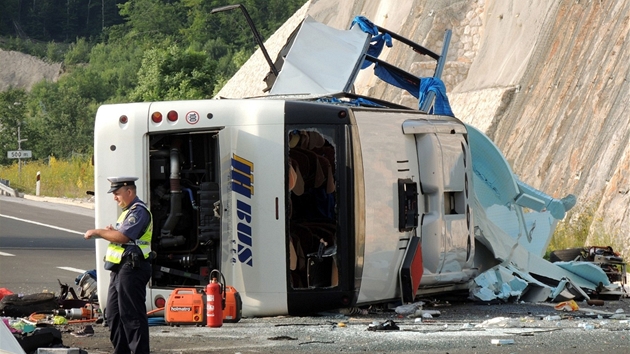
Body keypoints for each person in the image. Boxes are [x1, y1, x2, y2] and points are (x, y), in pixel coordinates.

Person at [84, 177, 152, 354]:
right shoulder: (127, 211)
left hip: (132, 267)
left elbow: (124, 237)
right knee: (113, 315)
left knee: (132, 315)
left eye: (117, 193)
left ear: (129, 192)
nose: (115, 197)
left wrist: (98, 232)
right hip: (119, 268)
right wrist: (112, 232)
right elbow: (124, 235)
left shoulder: (138, 211)